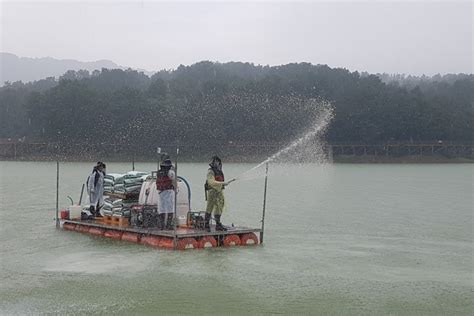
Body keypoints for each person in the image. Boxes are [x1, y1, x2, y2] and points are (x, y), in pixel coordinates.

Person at [204, 156, 234, 231]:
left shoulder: (219, 171)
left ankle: (218, 223)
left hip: (219, 191)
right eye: (215, 162)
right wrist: (222, 183)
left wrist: (224, 184)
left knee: (220, 206)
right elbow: (211, 182)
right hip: (212, 191)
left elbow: (219, 181)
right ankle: (206, 223)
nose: (216, 163)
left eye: (217, 162)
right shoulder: (210, 171)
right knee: (210, 207)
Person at [156, 158, 176, 230]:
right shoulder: (171, 172)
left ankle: (162, 226)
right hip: (169, 191)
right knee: (170, 208)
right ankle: (169, 225)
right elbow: (174, 181)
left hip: (160, 192)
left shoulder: (159, 172)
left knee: (162, 208)